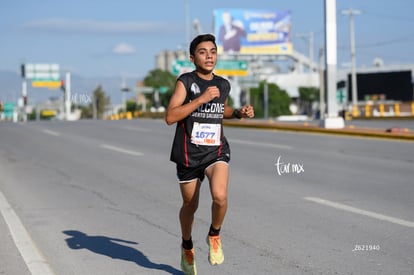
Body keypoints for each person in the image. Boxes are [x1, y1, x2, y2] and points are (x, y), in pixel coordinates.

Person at [165, 34, 254, 275]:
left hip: (216, 151)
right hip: (188, 155)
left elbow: (218, 109)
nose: (209, 56)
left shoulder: (223, 84)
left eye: (213, 51)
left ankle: (214, 234)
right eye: (203, 52)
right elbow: (171, 116)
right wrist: (201, 98)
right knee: (190, 205)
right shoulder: (185, 82)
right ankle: (187, 246)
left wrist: (237, 113)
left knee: (220, 196)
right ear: (193, 58)